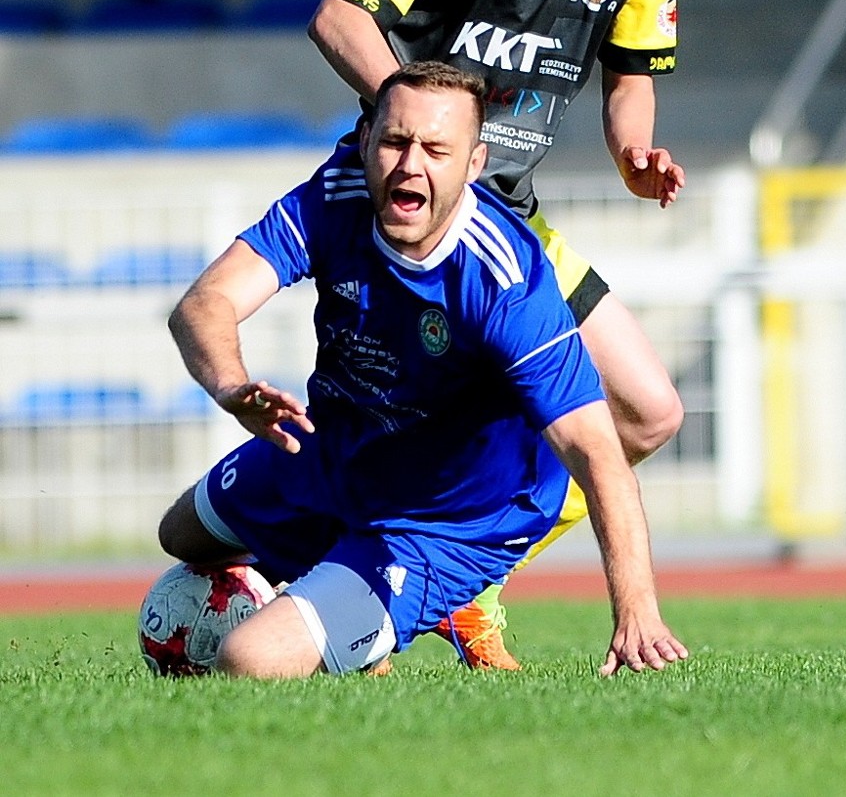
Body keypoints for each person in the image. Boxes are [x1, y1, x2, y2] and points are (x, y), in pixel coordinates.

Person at [308, 0, 685, 667]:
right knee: (395, 437)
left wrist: (636, 155)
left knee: (650, 411)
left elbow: (630, 81)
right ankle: (334, 568)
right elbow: (342, 16)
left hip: (508, 214)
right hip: (414, 216)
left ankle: (467, 570)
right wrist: (423, 127)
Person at [159, 61, 688, 680]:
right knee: (181, 537)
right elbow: (205, 303)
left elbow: (599, 454)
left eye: (437, 149)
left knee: (246, 661)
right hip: (337, 453)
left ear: (474, 164)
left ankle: (400, 607)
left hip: (444, 520)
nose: (411, 164)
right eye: (394, 141)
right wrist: (230, 386)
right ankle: (347, 618)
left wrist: (637, 615)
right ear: (364, 142)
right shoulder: (337, 197)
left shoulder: (506, 283)